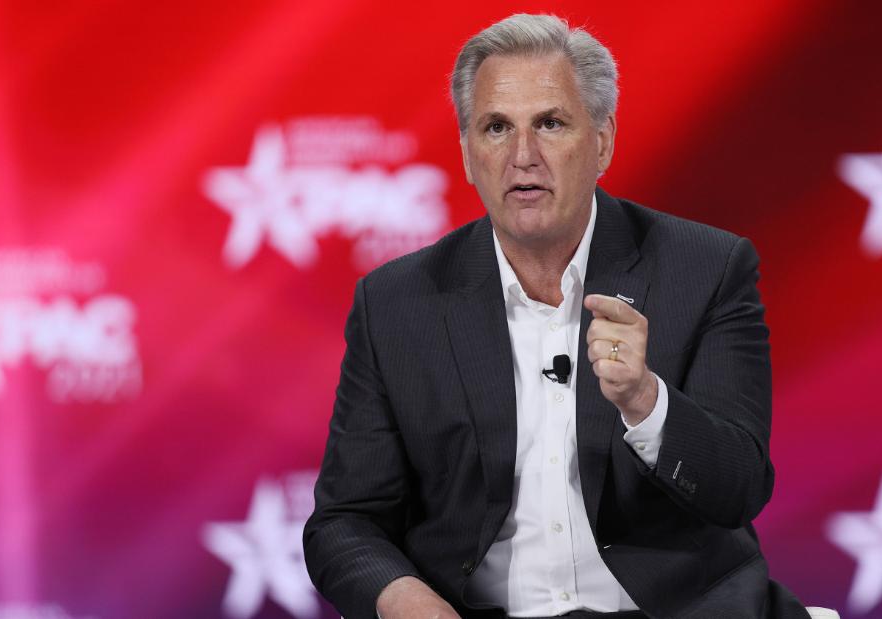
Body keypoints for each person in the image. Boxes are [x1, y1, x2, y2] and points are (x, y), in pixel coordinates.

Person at [304, 13, 810, 619]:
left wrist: (646, 401)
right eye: (496, 127)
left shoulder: (706, 269)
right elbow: (345, 522)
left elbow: (740, 488)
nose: (523, 156)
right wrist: (407, 600)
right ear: (466, 153)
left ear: (602, 141)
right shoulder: (397, 303)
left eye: (550, 123)